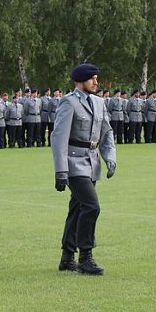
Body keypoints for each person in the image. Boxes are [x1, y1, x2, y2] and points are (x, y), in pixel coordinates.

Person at [51, 63, 116, 275]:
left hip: (91, 163)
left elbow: (106, 133)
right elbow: (58, 137)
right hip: (73, 163)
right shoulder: (69, 103)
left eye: (97, 78)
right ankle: (85, 257)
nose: (96, 82)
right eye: (92, 79)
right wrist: (61, 171)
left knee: (77, 209)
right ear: (80, 81)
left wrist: (110, 158)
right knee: (91, 206)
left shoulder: (99, 102)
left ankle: (67, 257)